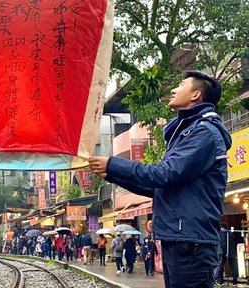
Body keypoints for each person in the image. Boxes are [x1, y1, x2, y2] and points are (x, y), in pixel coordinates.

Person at [89, 70, 231, 287]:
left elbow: (164, 174)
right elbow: (158, 187)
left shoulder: (203, 133)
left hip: (191, 241)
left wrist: (113, 163)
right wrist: (111, 173)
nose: (174, 90)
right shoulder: (186, 132)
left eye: (181, 85)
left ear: (195, 95)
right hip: (180, 238)